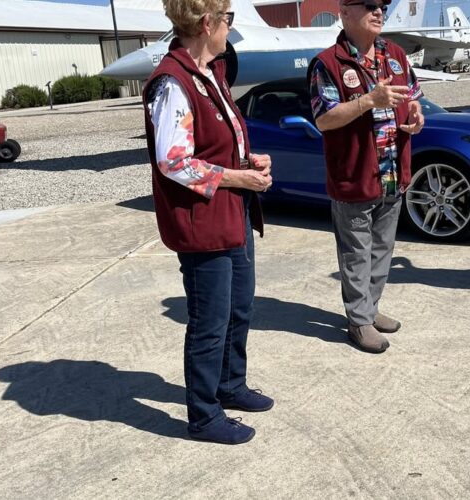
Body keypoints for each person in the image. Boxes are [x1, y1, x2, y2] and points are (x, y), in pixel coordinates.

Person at [142, 0, 274, 444]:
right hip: (203, 223)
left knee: (239, 307)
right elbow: (174, 161)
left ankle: (230, 384)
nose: (230, 28)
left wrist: (249, 160)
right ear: (207, 23)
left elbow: (219, 142)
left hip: (232, 212)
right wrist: (239, 177)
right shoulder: (173, 83)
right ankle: (203, 414)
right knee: (210, 321)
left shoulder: (211, 72)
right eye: (228, 19)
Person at [307, 0, 424, 353]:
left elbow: (414, 97)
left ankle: (369, 310)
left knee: (382, 251)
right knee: (357, 255)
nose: (379, 11)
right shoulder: (328, 63)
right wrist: (369, 101)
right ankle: (359, 322)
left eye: (383, 5)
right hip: (354, 177)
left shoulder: (396, 55)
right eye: (370, 5)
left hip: (393, 174)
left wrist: (416, 114)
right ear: (345, 11)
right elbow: (324, 119)